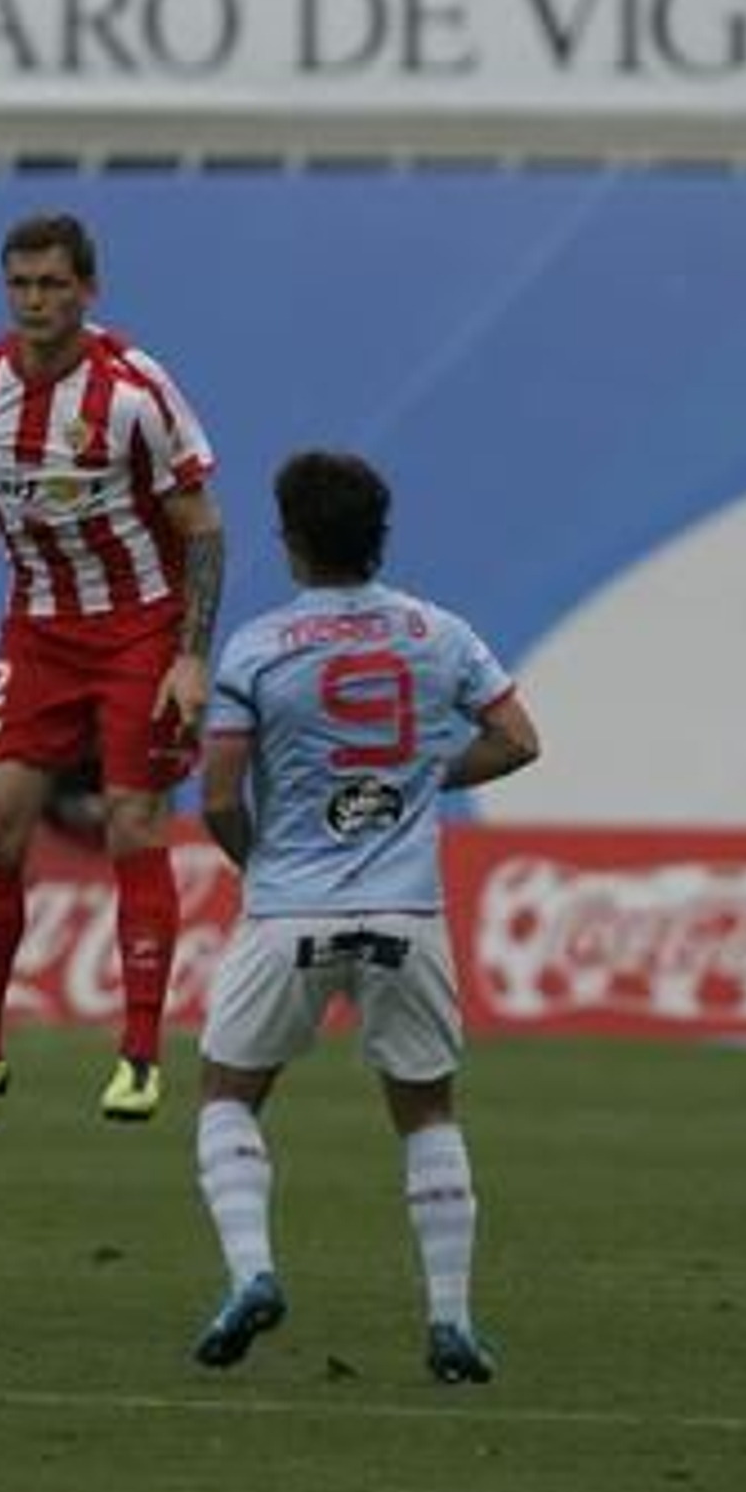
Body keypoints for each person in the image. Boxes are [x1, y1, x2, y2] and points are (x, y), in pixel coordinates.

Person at [189, 450, 540, 1384]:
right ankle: (453, 1322)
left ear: (292, 540)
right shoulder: (440, 631)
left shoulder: (258, 648)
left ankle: (254, 1272)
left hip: (289, 909)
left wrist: (262, 863)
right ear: (378, 536)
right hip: (407, 913)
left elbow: (218, 797)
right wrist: (423, 778)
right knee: (426, 1111)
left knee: (228, 1096)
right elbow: (518, 741)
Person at [0, 210, 223, 1137]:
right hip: (36, 631)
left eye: (53, 284)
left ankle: (137, 1054)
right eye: (21, 284)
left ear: (88, 289)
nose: (36, 300)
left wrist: (192, 658)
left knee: (132, 821)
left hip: (140, 631)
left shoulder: (134, 391)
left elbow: (203, 527)